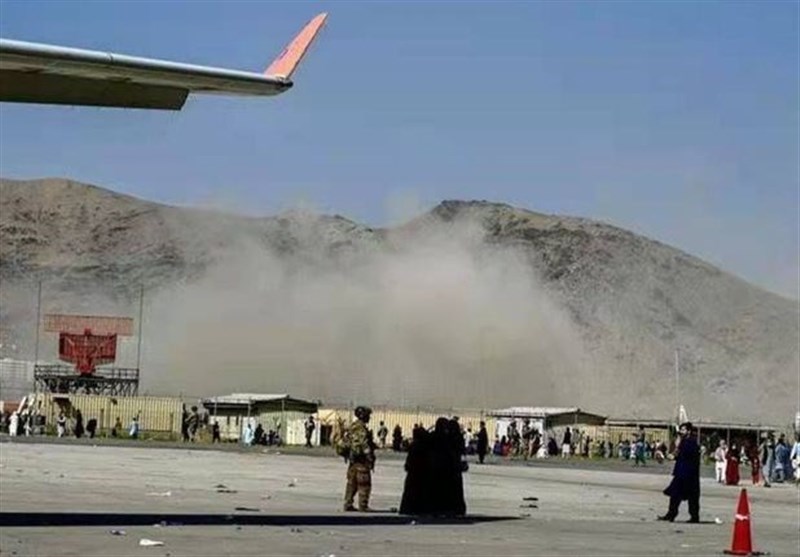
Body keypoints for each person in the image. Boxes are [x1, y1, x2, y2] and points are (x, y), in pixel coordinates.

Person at [658, 422, 700, 523]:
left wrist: (675, 454)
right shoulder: (683, 441)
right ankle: (671, 514)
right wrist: (673, 455)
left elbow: (687, 455)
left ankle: (694, 516)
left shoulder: (691, 442)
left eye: (683, 430)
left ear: (688, 431)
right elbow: (679, 455)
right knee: (675, 495)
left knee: (692, 497)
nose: (681, 432)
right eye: (681, 430)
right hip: (681, 472)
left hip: (689, 474)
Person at [343, 406, 376, 512]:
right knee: (364, 483)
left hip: (353, 460)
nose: (369, 417)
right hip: (361, 460)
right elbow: (363, 443)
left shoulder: (353, 426)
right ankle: (363, 505)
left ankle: (348, 503)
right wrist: (369, 457)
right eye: (368, 415)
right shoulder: (361, 428)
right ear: (363, 416)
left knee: (352, 483)